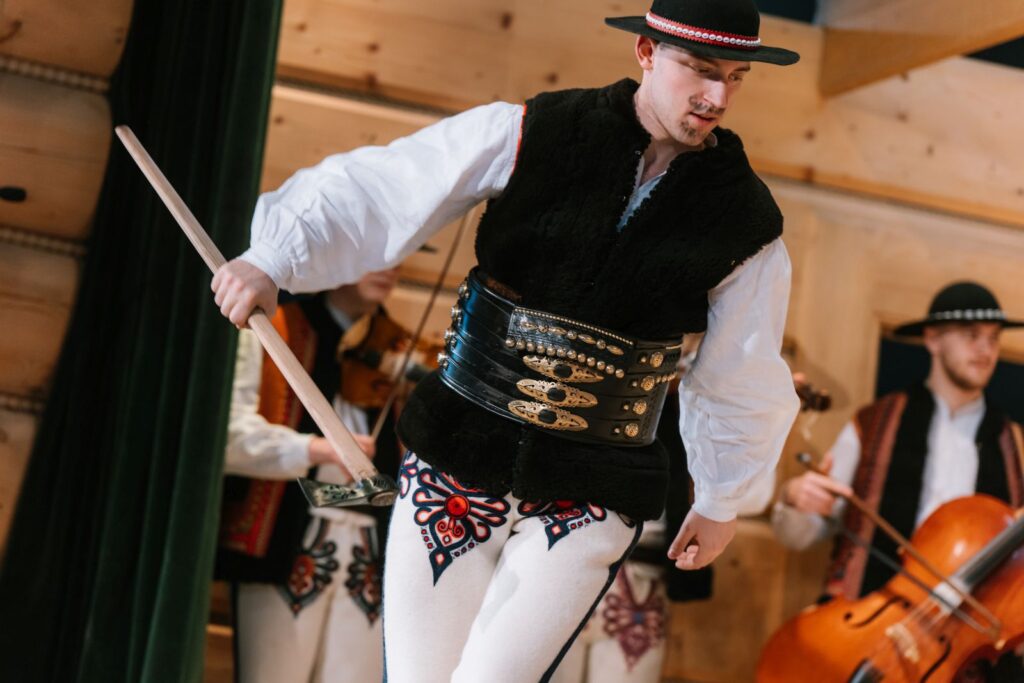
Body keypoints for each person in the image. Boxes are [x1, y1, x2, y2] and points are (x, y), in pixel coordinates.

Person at [212, 0, 802, 679]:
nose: (716, 97)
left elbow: (741, 367)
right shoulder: (534, 130)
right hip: (456, 453)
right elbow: (392, 185)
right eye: (699, 69)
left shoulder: (746, 220)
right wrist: (274, 257)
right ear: (646, 52)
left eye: (734, 77)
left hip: (592, 489)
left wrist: (722, 497)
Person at [771, 281, 1024, 681]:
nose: (985, 349)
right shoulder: (872, 424)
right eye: (971, 335)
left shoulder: (1014, 443)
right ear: (933, 339)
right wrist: (795, 499)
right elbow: (803, 534)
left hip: (962, 651)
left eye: (993, 338)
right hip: (871, 630)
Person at [216, 268, 404, 683]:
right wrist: (317, 449)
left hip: (370, 551)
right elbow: (228, 438)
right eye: (377, 255)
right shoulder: (275, 328)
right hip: (288, 542)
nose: (391, 267)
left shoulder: (396, 350)